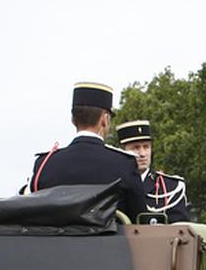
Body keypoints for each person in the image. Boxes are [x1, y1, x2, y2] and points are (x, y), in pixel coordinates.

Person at [30, 82, 146, 221]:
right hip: (112, 243)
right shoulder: (124, 164)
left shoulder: (45, 164)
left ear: (73, 119)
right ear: (105, 119)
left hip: (55, 243)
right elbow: (140, 222)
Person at [115, 120, 190, 223]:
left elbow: (180, 229)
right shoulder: (114, 184)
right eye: (136, 147)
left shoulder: (170, 187)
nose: (142, 153)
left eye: (146, 147)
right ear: (123, 150)